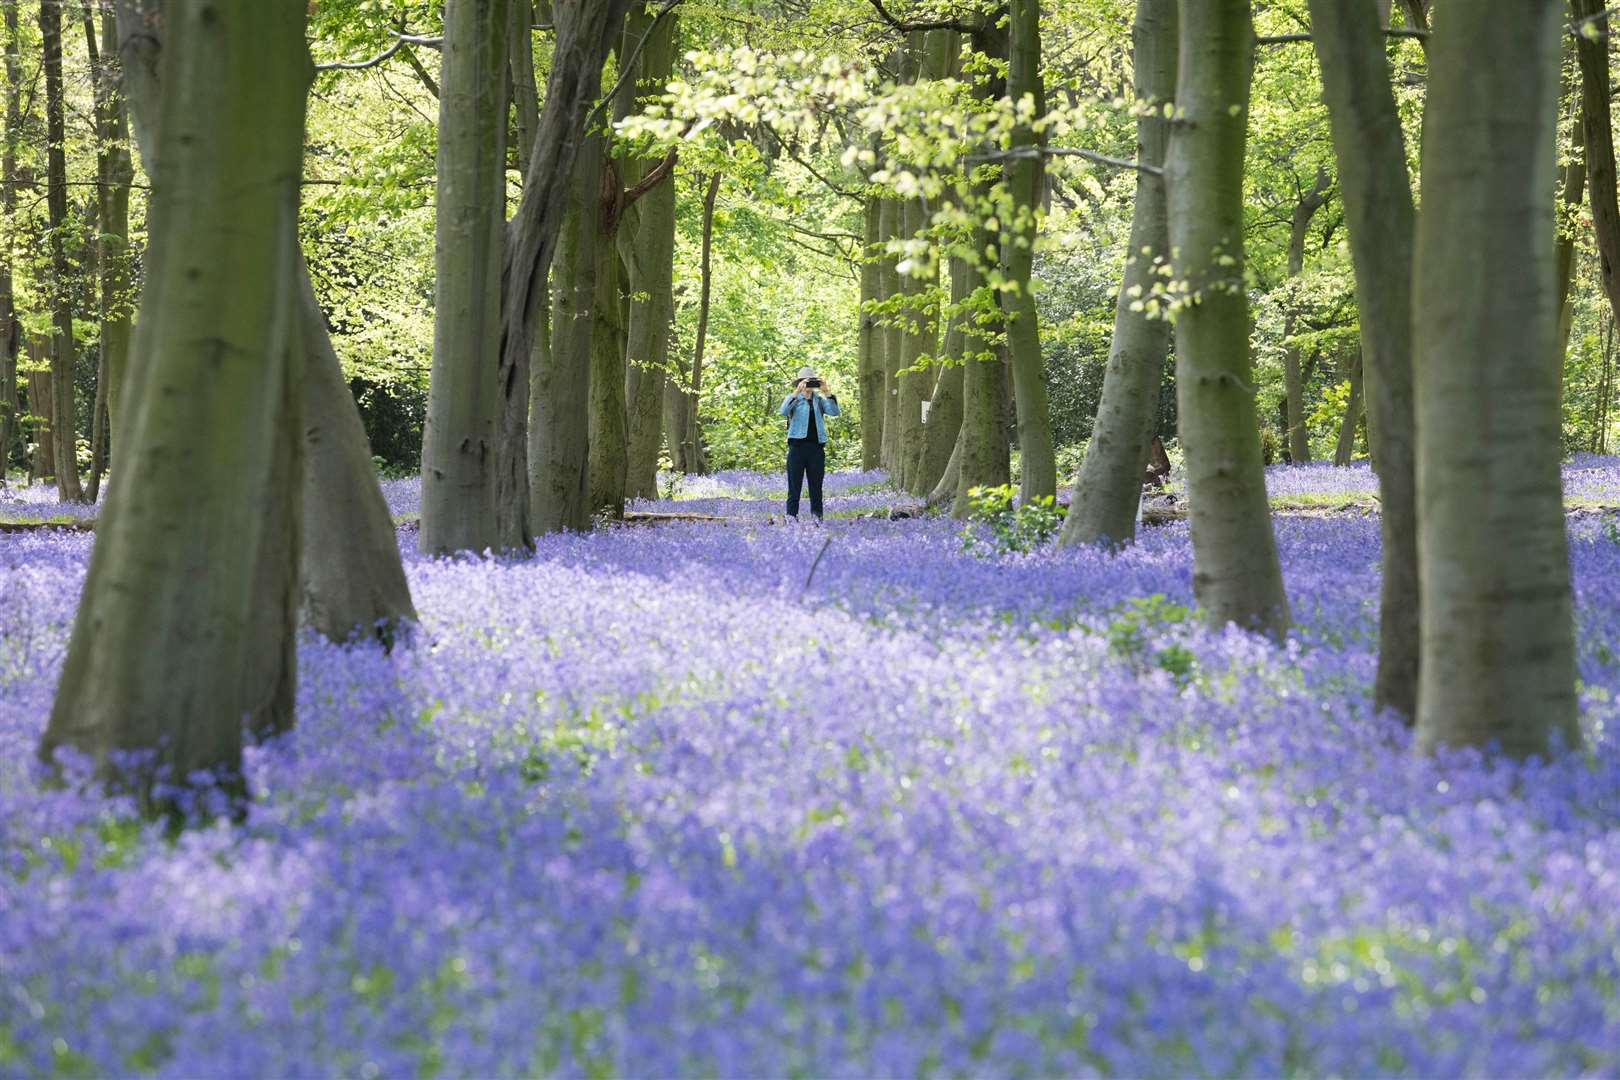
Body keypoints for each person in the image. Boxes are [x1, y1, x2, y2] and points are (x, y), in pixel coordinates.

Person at [779, 365, 839, 522]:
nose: (808, 386)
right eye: (805, 382)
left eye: (811, 382)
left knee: (816, 486)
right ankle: (791, 517)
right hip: (797, 447)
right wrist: (797, 392)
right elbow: (783, 411)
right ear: (799, 382)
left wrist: (826, 391)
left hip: (816, 448)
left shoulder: (819, 401)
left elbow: (834, 412)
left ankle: (817, 518)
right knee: (794, 486)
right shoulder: (794, 399)